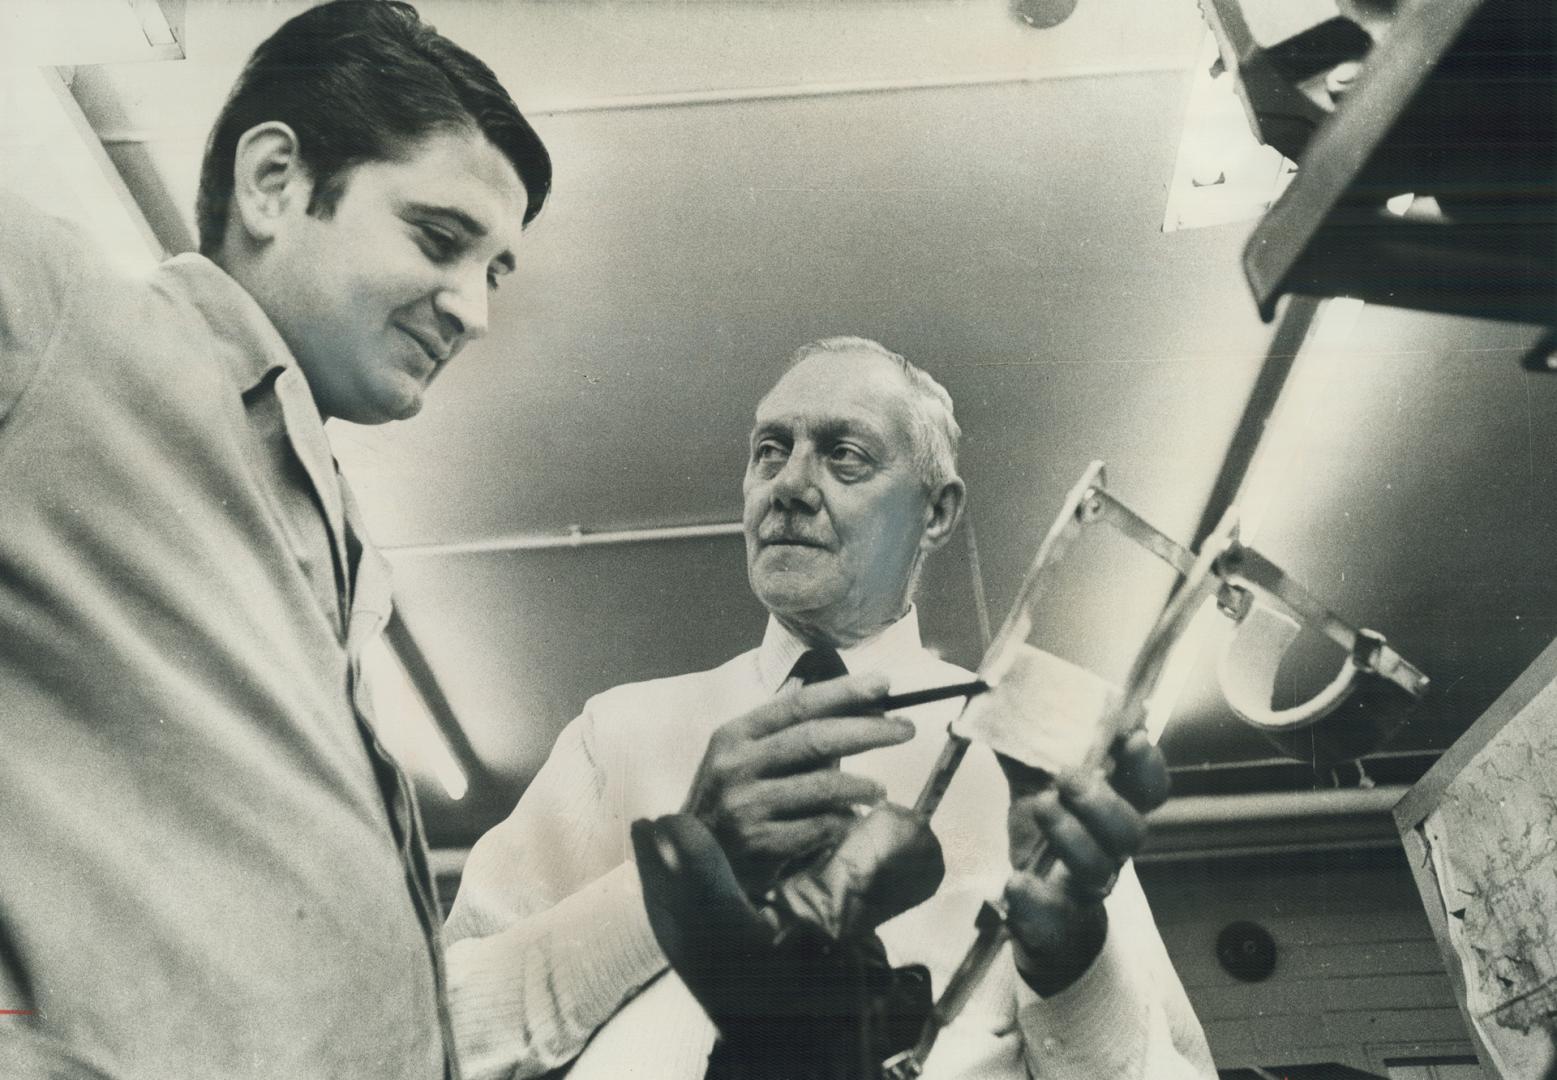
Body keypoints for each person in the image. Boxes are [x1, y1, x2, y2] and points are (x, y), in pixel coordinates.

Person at [0, 3, 549, 1076]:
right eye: (441, 240)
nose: (473, 311)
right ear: (274, 182)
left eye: (495, 272)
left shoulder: (336, 540)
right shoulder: (76, 320)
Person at [445, 337, 1216, 1079]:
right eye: (769, 450)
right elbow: (433, 1033)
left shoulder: (1025, 764)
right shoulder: (616, 733)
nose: (788, 485)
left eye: (845, 455)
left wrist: (1072, 963)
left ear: (937, 513)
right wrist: (669, 891)